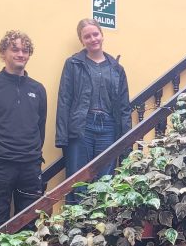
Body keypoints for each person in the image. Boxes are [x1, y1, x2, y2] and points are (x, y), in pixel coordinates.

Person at [0, 30, 47, 232]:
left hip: (30, 165)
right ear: (3, 53)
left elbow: (40, 128)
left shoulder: (38, 89)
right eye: (15, 49)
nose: (20, 54)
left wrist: (30, 153)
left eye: (25, 50)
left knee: (31, 221)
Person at [55, 18, 131, 193]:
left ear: (102, 35)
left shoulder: (116, 68)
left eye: (95, 34)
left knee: (105, 181)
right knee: (78, 181)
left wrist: (126, 141)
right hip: (82, 126)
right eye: (87, 36)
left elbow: (124, 107)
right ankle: (76, 220)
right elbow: (64, 100)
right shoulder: (73, 64)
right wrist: (62, 137)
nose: (93, 39)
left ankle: (102, 221)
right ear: (82, 41)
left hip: (109, 128)